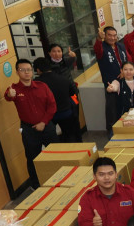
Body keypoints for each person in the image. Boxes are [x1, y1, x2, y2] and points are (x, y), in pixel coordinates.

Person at [4, 58, 57, 187]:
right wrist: (9, 94)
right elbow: (8, 96)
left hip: (46, 125)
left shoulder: (42, 86)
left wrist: (43, 122)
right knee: (32, 159)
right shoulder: (14, 89)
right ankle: (36, 186)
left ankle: (61, 179)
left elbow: (52, 106)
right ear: (17, 72)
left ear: (32, 71)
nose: (26, 73)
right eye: (23, 70)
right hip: (28, 130)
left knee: (56, 154)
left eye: (29, 70)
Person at [41, 44, 82, 142]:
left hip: (72, 94)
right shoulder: (48, 65)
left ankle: (79, 141)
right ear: (49, 53)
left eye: (59, 51)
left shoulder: (66, 61)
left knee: (75, 118)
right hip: (57, 98)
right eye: (54, 51)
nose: (56, 54)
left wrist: (74, 56)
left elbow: (73, 58)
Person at [94, 25, 128, 126]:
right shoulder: (101, 47)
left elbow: (128, 60)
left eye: (114, 35)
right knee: (112, 109)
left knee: (125, 105)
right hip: (110, 83)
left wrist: (125, 71)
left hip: (124, 80)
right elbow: (97, 50)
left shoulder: (120, 46)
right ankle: (112, 130)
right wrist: (99, 39)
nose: (112, 38)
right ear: (104, 35)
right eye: (109, 35)